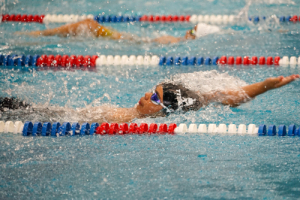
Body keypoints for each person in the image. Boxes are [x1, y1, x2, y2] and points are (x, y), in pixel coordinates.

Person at [1, 74, 299, 124]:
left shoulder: (130, 119)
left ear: (164, 111)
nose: (145, 95)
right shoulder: (154, 112)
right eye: (151, 90)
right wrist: (265, 85)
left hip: (42, 116)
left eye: (153, 96)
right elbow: (219, 96)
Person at [16, 19, 220, 44]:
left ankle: (37, 36)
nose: (187, 32)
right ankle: (36, 36)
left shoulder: (173, 41)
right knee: (87, 25)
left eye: (192, 31)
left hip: (124, 41)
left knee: (88, 24)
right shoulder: (176, 41)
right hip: (128, 40)